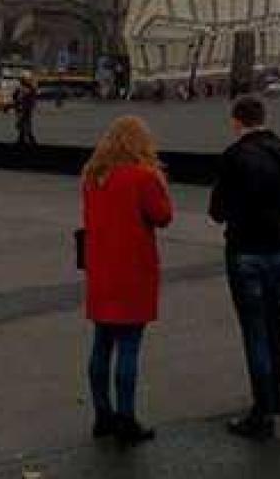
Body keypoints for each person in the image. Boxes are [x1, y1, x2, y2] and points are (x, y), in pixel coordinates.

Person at [209, 96, 280, 441]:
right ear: (264, 118)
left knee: (254, 331)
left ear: (237, 121)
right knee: (273, 322)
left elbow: (217, 210)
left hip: (245, 250)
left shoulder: (234, 157)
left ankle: (262, 411)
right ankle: (276, 395)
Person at [80, 116, 173, 445]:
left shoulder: (93, 176)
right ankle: (126, 418)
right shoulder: (143, 177)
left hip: (101, 270)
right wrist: (160, 181)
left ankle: (102, 415)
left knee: (101, 345)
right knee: (129, 347)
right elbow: (163, 217)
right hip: (133, 270)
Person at [13, 75, 39, 146]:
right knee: (24, 124)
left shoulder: (28, 89)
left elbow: (16, 97)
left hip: (25, 108)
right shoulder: (23, 88)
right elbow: (15, 97)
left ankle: (28, 139)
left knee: (24, 124)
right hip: (23, 108)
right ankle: (23, 139)